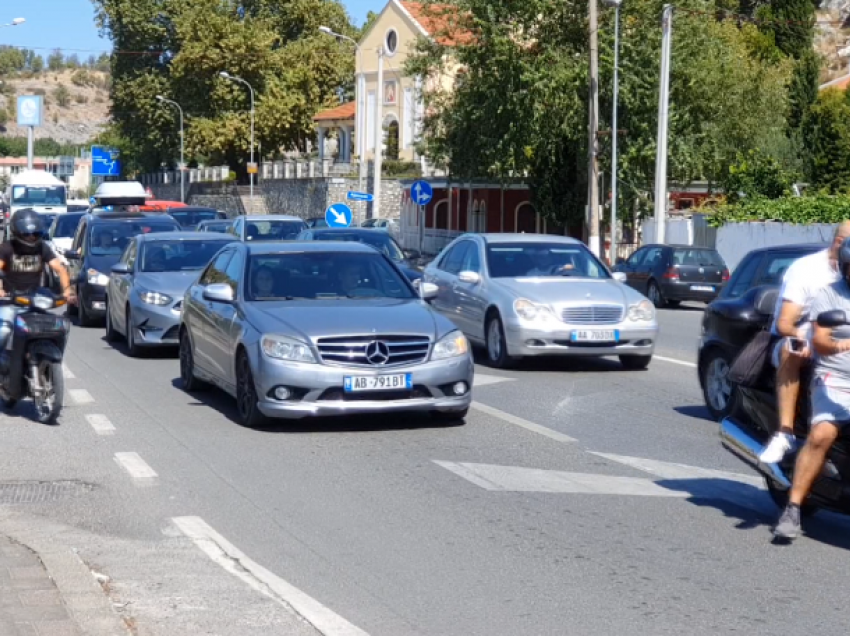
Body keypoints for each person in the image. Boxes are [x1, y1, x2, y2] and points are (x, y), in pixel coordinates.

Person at [774, 236, 850, 539]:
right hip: (836, 378)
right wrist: (844, 344)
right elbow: (820, 340)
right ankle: (793, 508)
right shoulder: (829, 295)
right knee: (822, 433)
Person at [759, 221, 850, 464]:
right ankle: (785, 432)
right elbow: (785, 323)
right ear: (840, 243)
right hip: (802, 339)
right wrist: (803, 338)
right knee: (793, 349)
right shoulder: (808, 270)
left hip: (842, 343)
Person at [0, 209, 73, 350]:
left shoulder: (42, 248)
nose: (32, 237)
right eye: (27, 234)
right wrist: (1, 290)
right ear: (16, 232)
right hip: (10, 300)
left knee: (56, 328)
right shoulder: (6, 248)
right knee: (3, 330)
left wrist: (67, 291)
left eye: (35, 234)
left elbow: (60, 269)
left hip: (34, 298)